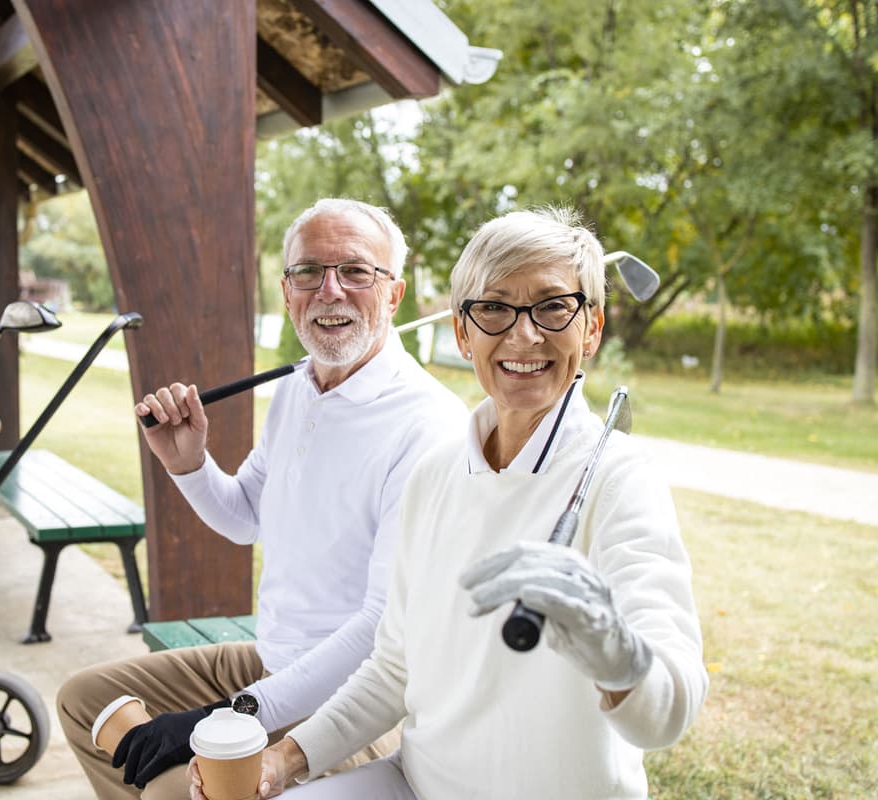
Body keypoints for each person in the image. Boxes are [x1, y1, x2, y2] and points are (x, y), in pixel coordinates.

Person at [206, 206, 708, 799]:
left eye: (552, 306)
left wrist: (617, 653)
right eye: (493, 308)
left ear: (591, 329)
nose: (524, 334)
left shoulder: (622, 481)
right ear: (463, 334)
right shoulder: (436, 472)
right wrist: (284, 760)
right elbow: (393, 669)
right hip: (413, 783)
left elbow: (669, 711)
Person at [56, 198, 469, 799]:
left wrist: (226, 715)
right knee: (84, 701)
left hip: (350, 702)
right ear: (287, 291)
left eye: (356, 271)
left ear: (394, 294)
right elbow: (246, 516)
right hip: (271, 661)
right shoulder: (298, 388)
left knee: (172, 791)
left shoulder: (428, 426)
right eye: (309, 272)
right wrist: (188, 463)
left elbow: (381, 630)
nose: (329, 290)